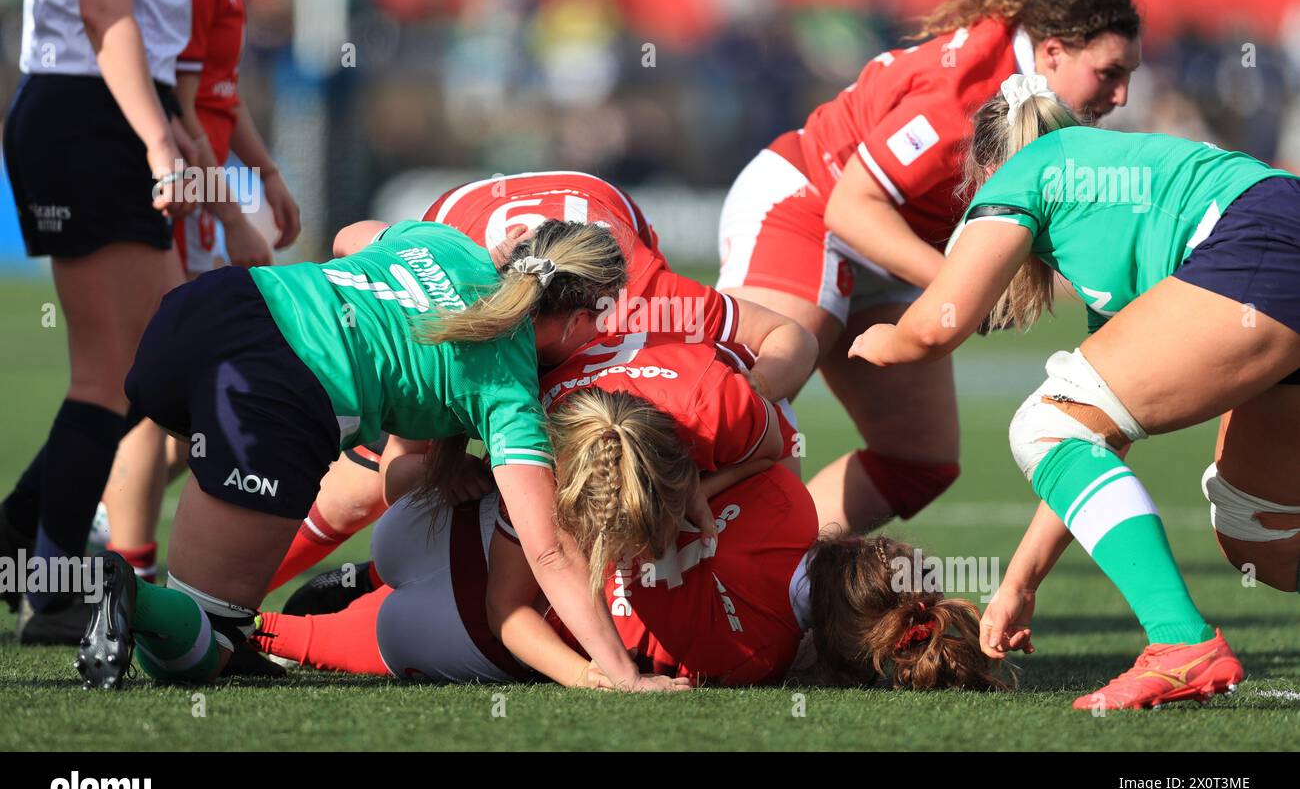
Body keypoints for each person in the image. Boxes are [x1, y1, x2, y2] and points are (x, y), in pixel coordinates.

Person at [77, 219, 690, 696]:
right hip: (272, 387)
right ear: (577, 317)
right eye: (601, 319)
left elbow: (349, 238)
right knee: (209, 649)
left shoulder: (449, 243)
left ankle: (151, 595)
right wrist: (624, 674)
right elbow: (549, 548)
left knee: (211, 611)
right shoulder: (508, 391)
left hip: (206, 310)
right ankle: (132, 589)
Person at [848, 73, 1300, 709]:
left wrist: (880, 340)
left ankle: (1180, 643)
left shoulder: (1024, 172)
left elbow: (934, 328)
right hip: (1275, 235)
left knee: (1039, 425)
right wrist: (1020, 581)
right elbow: (1100, 436)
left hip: (1264, 245)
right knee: (1263, 540)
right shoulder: (1108, 203)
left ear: (984, 170)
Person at [255, 334, 1006, 692]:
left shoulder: (781, 497)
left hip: (466, 518)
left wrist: (713, 490)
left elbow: (767, 432)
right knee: (279, 641)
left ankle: (347, 566)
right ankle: (272, 618)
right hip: (475, 632)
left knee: (422, 478)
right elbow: (616, 592)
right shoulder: (758, 659)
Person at [716, 0, 1141, 532]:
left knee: (919, 461)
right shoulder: (963, 95)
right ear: (1055, 53)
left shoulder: (1030, 78)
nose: (1121, 95)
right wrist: (961, 286)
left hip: (884, 239)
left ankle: (785, 569)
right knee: (753, 394)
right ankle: (636, 556)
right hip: (807, 203)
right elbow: (851, 207)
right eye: (1109, 73)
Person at [262, 170, 816, 592]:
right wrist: (449, 472)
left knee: (766, 429)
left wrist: (748, 403)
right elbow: (394, 474)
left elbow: (791, 338)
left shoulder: (648, 300)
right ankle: (250, 601)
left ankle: (775, 587)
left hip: (580, 226)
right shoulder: (457, 312)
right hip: (473, 247)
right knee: (359, 493)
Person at [0, 0, 197, 642]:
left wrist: (165, 129)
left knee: (148, 371)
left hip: (110, 110)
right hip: (89, 116)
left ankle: (17, 546)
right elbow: (103, 9)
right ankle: (50, 597)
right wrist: (156, 139)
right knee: (112, 376)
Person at [99, 0, 302, 594]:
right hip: (181, 203)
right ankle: (125, 573)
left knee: (194, 412)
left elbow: (220, 91)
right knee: (159, 397)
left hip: (205, 201)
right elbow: (179, 112)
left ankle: (90, 529)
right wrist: (233, 214)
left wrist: (265, 175)